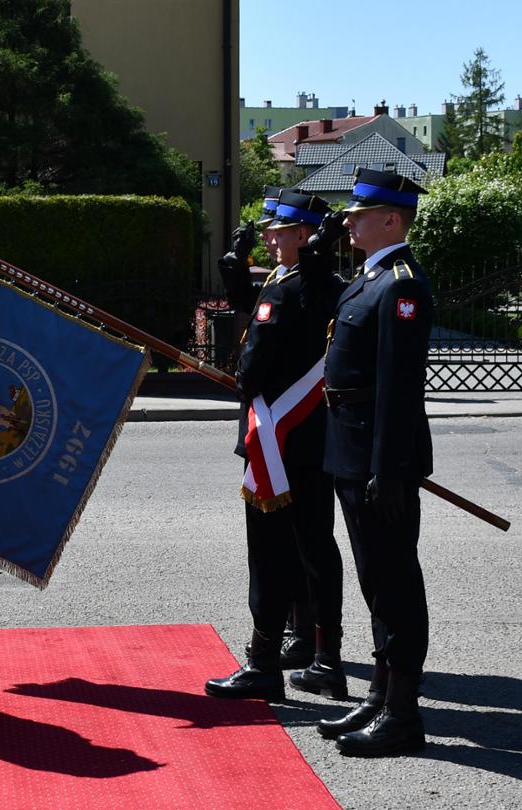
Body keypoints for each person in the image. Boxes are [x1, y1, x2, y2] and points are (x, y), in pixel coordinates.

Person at [205, 190, 347, 702]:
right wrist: (235, 271)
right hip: (313, 435)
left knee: (269, 551)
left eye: (280, 230)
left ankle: (263, 661)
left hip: (276, 437)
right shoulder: (325, 284)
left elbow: (255, 364)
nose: (267, 235)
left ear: (304, 235)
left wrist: (242, 375)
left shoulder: (286, 290)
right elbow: (273, 310)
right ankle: (322, 655)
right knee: (315, 544)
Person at [316, 168, 435, 756]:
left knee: (394, 584)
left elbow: (399, 387)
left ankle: (403, 715)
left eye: (359, 213)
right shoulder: (367, 279)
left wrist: (387, 470)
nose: (348, 220)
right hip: (350, 446)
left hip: (377, 458)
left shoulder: (402, 285)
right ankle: (380, 695)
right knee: (373, 580)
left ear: (392, 218)